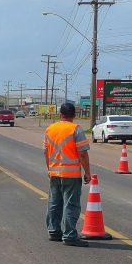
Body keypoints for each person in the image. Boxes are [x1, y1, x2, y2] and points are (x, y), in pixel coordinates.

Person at [44, 103, 92, 247]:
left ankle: (54, 231)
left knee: (54, 202)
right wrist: (87, 173)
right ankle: (70, 235)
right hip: (71, 175)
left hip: (54, 173)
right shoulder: (76, 129)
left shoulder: (50, 129)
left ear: (60, 114)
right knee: (71, 204)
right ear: (74, 115)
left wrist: (50, 169)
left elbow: (46, 152)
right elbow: (82, 153)